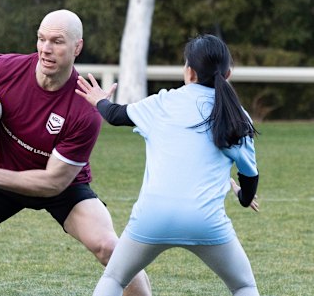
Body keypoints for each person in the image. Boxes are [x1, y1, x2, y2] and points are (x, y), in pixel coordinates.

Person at [0, 9, 152, 296]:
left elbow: (53, 182)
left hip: (62, 188)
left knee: (111, 249)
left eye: (57, 41)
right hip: (0, 176)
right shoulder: (6, 68)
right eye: (42, 39)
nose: (46, 49)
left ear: (77, 47)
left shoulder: (84, 110)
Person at [75, 34, 261, 296]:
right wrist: (242, 195)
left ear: (189, 72)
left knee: (115, 279)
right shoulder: (237, 116)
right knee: (244, 286)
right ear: (228, 73)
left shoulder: (163, 102)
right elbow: (250, 177)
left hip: (152, 218)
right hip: (205, 222)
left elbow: (116, 116)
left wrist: (99, 100)